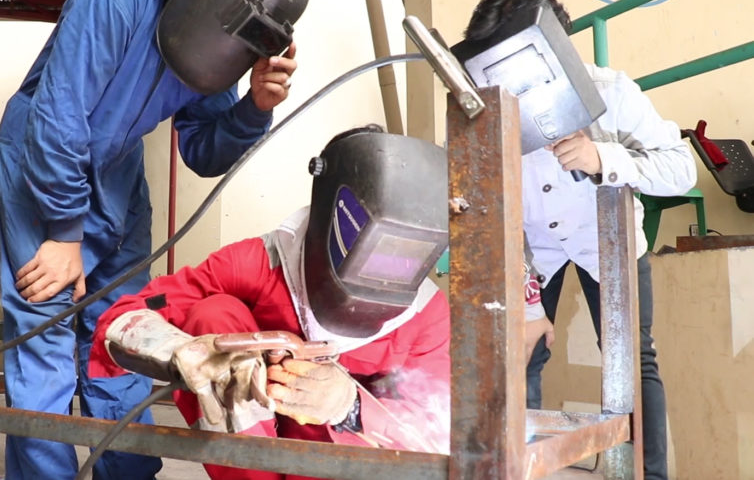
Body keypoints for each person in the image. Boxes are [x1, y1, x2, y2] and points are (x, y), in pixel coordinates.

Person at [89, 126, 554, 480]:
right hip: (256, 455)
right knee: (212, 316)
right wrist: (181, 353)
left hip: (342, 462)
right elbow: (120, 319)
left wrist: (349, 404)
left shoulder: (426, 319)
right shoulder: (259, 262)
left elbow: (437, 434)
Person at [0, 0, 300, 478]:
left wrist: (254, 107)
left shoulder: (223, 20)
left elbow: (203, 149)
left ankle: (128, 473)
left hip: (119, 171)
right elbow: (58, 117)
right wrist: (65, 232)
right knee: (43, 329)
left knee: (123, 330)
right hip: (41, 158)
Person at [462, 0, 697, 479]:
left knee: (633, 362)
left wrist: (603, 159)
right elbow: (488, 211)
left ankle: (648, 475)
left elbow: (682, 170)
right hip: (529, 248)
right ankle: (514, 471)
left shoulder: (610, 90)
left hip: (605, 239)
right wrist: (526, 308)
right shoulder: (485, 103)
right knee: (518, 357)